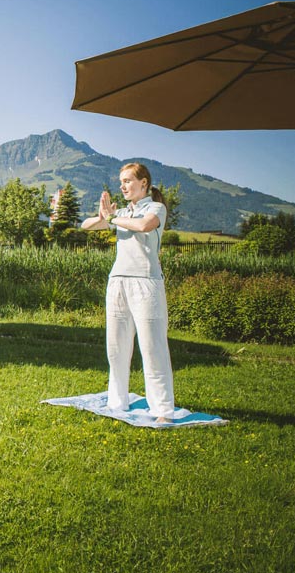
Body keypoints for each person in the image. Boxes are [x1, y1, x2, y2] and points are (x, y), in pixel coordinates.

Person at [82, 162, 175, 423]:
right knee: (116, 347)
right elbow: (85, 226)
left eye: (128, 181)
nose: (122, 186)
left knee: (152, 347)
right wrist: (104, 217)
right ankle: (117, 402)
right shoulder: (122, 212)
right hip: (118, 282)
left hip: (146, 283)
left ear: (143, 182)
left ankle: (163, 411)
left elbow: (145, 225)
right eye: (120, 181)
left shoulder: (156, 208)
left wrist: (113, 218)